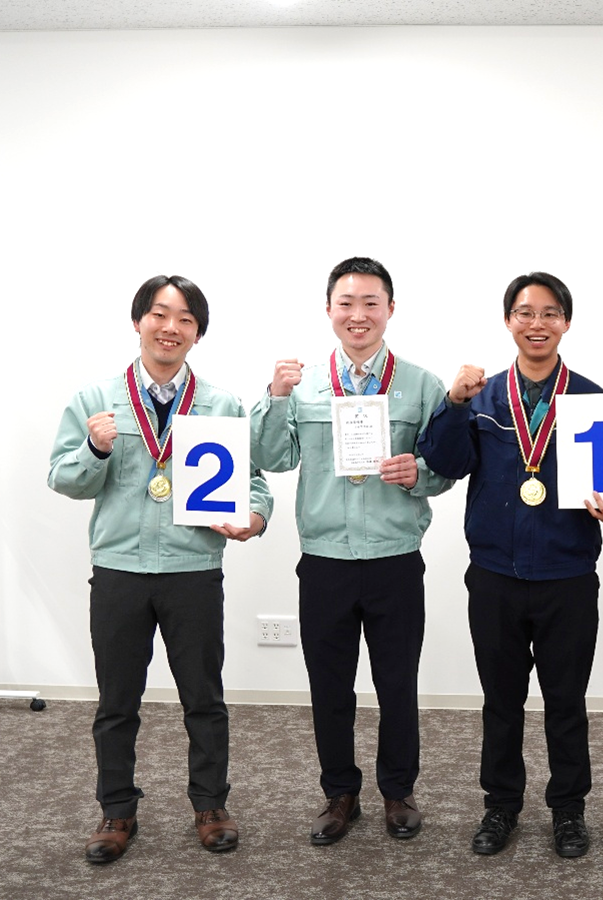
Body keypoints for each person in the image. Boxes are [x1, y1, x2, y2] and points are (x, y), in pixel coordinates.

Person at [48, 274, 271, 864]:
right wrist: (95, 449)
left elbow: (253, 483)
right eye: (160, 314)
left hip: (192, 567)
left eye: (185, 319)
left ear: (198, 333)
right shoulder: (97, 400)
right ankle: (116, 810)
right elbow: (62, 478)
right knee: (116, 701)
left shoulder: (221, 404)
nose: (171, 328)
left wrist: (255, 517)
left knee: (204, 697)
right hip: (119, 569)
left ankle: (211, 805)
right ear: (138, 322)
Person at [418, 272, 603, 859]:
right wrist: (453, 403)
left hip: (568, 577)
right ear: (508, 321)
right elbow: (446, 462)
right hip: (496, 576)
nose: (536, 324)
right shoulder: (482, 397)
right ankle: (501, 806)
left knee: (566, 702)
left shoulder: (594, 402)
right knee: (501, 701)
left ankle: (568, 810)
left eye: (549, 313)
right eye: (524, 312)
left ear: (566, 322)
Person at [250, 257, 453, 846]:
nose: (358, 314)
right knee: (330, 685)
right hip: (325, 559)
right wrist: (275, 397)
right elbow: (274, 457)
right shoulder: (304, 383)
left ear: (390, 309)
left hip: (394, 557)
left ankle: (398, 791)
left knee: (398, 682)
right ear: (329, 310)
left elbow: (444, 468)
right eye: (346, 303)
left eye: (370, 303)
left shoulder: (422, 385)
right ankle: (340, 792)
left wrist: (418, 474)